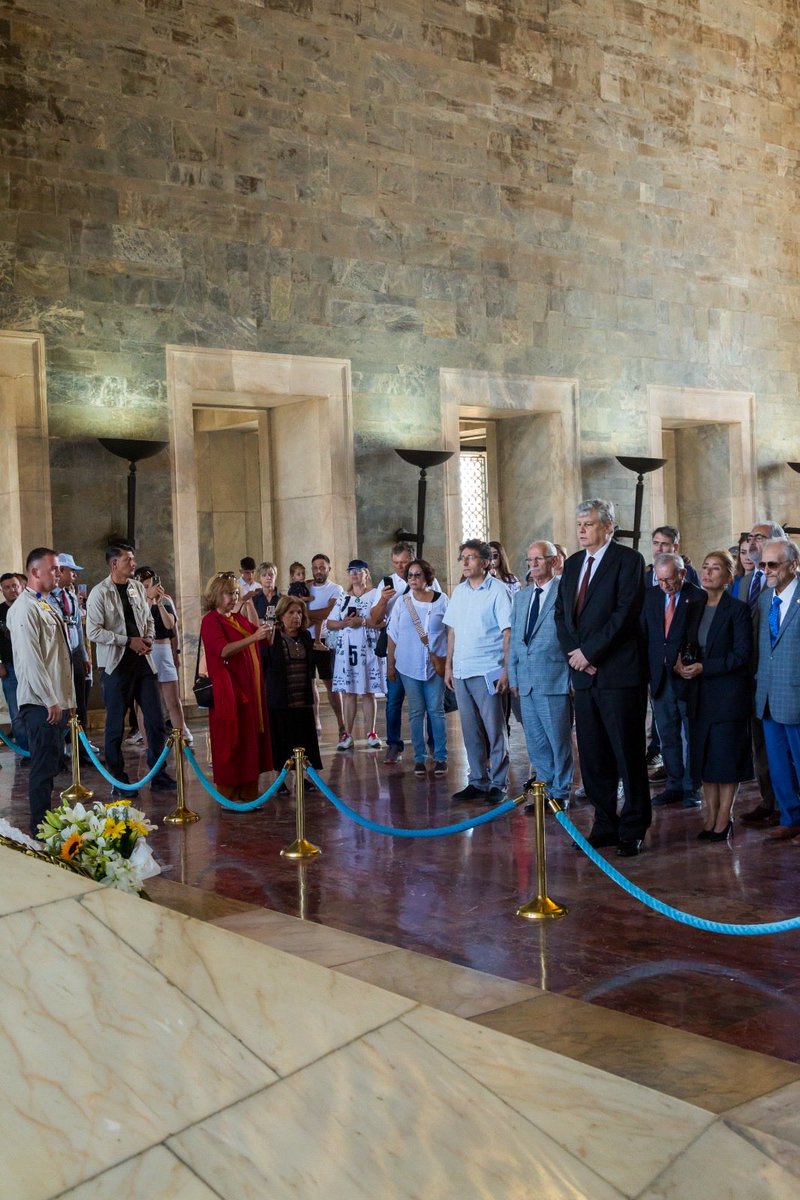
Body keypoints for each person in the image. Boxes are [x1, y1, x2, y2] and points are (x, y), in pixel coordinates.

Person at [554, 499, 650, 856]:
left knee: (627, 753)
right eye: (579, 524)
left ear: (608, 526)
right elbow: (562, 615)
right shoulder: (574, 563)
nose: (581, 530)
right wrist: (576, 656)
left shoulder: (629, 561)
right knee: (593, 755)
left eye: (589, 524)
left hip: (618, 674)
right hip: (584, 676)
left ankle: (634, 826)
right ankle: (605, 823)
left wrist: (590, 654)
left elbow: (625, 615)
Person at [673, 549, 753, 841]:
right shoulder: (693, 605)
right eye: (705, 567)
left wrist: (705, 667)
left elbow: (742, 655)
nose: (707, 573)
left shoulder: (738, 609)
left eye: (715, 569)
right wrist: (680, 663)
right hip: (698, 693)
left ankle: (724, 818)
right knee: (704, 757)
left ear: (728, 576)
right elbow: (682, 643)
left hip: (728, 693)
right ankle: (709, 817)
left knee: (725, 758)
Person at [86, 543, 176, 798]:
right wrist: (128, 641)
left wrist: (146, 637)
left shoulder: (137, 587)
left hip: (143, 664)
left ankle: (158, 773)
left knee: (156, 720)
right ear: (114, 563)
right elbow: (93, 631)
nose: (133, 564)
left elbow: (147, 618)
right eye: (129, 560)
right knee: (115, 725)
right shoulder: (99, 593)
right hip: (116, 667)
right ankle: (119, 779)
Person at [7, 549, 75, 834]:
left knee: (50, 766)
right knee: (42, 769)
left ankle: (47, 824)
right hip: (40, 703)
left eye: (59, 569)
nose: (58, 574)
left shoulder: (45, 604)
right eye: (53, 569)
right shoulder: (24, 608)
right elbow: (32, 661)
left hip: (54, 701)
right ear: (35, 572)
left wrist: (66, 700)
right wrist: (51, 700)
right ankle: (40, 830)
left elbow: (57, 656)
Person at [444, 539, 512, 804]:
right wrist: (448, 666)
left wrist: (506, 670)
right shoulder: (460, 592)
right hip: (462, 669)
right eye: (462, 557)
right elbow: (452, 631)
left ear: (485, 562)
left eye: (470, 557)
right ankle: (477, 781)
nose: (465, 562)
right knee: (470, 729)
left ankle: (498, 782)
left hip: (488, 669)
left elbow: (507, 633)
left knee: (494, 729)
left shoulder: (498, 590)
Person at [200, 571, 274, 802]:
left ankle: (249, 790)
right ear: (215, 595)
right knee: (232, 739)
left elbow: (263, 639)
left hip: (250, 690)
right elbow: (223, 650)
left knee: (249, 738)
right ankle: (229, 793)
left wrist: (262, 626)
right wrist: (253, 638)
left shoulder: (237, 618)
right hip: (229, 691)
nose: (233, 598)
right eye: (227, 593)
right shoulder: (211, 620)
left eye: (235, 593)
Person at [509, 541, 572, 805]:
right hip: (526, 681)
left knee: (558, 739)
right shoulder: (522, 596)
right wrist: (513, 676)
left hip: (553, 677)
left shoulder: (564, 592)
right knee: (535, 740)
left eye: (539, 559)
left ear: (554, 561)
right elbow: (514, 638)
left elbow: (571, 636)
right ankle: (544, 790)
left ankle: (561, 792)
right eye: (529, 560)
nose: (533, 565)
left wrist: (571, 678)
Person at [641, 552, 706, 809]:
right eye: (660, 580)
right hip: (659, 678)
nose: (665, 586)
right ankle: (674, 785)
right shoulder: (651, 596)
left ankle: (692, 787)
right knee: (667, 735)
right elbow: (645, 638)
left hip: (688, 679)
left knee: (692, 735)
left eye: (669, 580)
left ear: (682, 573)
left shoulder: (698, 596)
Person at [739, 521, 787, 825]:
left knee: (785, 747)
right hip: (749, 678)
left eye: (761, 538)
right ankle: (769, 800)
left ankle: (788, 805)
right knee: (761, 744)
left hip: (780, 679)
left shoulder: (786, 585)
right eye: (752, 538)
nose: (754, 542)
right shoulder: (743, 583)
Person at [753, 538, 800, 842]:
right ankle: (790, 816)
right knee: (778, 764)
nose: (766, 570)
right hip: (769, 695)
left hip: (796, 695)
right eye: (762, 564)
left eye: (773, 564)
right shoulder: (765, 599)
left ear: (793, 565)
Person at [386, 558, 449, 777]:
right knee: (415, 712)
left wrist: (448, 661)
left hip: (434, 665)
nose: (413, 579)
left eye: (417, 575)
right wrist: (390, 664)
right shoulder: (403, 602)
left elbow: (450, 632)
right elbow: (393, 635)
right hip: (408, 664)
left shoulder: (442, 601)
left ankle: (440, 757)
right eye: (410, 575)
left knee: (436, 711)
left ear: (427, 577)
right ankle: (419, 758)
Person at [260, 596, 322, 778]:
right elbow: (265, 664)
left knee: (302, 741)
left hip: (302, 698)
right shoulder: (273, 637)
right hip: (280, 698)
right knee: (281, 740)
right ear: (281, 615)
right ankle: (280, 781)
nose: (296, 616)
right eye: (291, 613)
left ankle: (303, 778)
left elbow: (310, 668)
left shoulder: (305, 636)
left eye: (299, 613)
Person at [327, 559, 385, 750]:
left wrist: (362, 621)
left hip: (368, 648)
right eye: (350, 571)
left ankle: (371, 733)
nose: (354, 574)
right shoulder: (343, 597)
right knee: (349, 692)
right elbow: (330, 623)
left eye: (358, 571)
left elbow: (383, 621)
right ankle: (347, 735)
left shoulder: (375, 595)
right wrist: (344, 623)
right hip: (348, 652)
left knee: (368, 692)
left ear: (366, 574)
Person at [133, 566, 193, 746]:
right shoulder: (137, 602)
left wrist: (159, 602)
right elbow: (141, 624)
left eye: (150, 584)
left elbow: (170, 626)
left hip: (164, 649)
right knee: (146, 701)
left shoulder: (165, 601)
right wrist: (149, 599)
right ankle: (147, 740)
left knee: (173, 699)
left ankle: (180, 734)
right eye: (144, 585)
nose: (148, 588)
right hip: (147, 651)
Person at [369, 541, 415, 764]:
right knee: (394, 699)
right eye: (396, 563)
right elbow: (375, 619)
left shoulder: (426, 579)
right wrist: (383, 600)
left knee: (424, 702)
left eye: (404, 562)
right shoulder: (387, 583)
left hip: (418, 649)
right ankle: (394, 744)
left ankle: (431, 745)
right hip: (394, 648)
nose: (400, 567)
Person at [306, 553, 345, 738]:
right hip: (305, 640)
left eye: (322, 567)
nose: (319, 571)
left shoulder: (336, 589)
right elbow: (295, 610)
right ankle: (314, 722)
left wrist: (308, 616)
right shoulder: (305, 588)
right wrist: (316, 616)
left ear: (329, 568)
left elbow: (329, 612)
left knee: (330, 684)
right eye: (315, 568)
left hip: (326, 641)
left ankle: (341, 723)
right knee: (309, 683)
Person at [0, 571, 29, 751]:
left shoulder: (30, 607)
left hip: (31, 666)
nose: (12, 590)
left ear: (21, 586)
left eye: (15, 586)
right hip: (10, 668)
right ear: (2, 590)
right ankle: (26, 750)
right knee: (16, 712)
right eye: (7, 587)